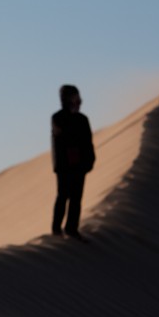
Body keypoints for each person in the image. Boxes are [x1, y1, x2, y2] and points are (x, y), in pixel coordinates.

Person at [51, 84, 94, 241]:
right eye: (76, 97)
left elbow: (88, 142)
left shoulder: (83, 119)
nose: (79, 101)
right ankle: (56, 230)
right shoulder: (58, 118)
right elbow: (64, 138)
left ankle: (71, 229)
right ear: (67, 99)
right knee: (63, 196)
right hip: (64, 166)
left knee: (76, 198)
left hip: (79, 165)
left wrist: (90, 160)